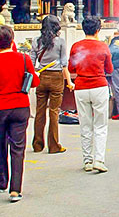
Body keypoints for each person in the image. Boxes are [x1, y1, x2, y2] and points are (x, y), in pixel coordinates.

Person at [68, 16, 113, 173]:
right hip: (99, 86)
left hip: (80, 87)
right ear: (98, 30)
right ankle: (99, 159)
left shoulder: (76, 47)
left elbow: (71, 68)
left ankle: (87, 160)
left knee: (85, 125)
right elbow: (109, 69)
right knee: (100, 125)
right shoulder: (103, 47)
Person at [0, 25, 40, 202]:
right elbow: (34, 81)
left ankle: (2, 181)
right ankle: (15, 189)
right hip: (20, 107)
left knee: (0, 145)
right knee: (17, 148)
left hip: (1, 107)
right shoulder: (23, 58)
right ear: (12, 39)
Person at [30, 15, 73, 154]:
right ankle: (53, 145)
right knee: (54, 112)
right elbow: (64, 63)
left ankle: (37, 144)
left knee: (40, 112)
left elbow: (31, 61)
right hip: (56, 77)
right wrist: (69, 81)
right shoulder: (60, 42)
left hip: (41, 77)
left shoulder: (36, 40)